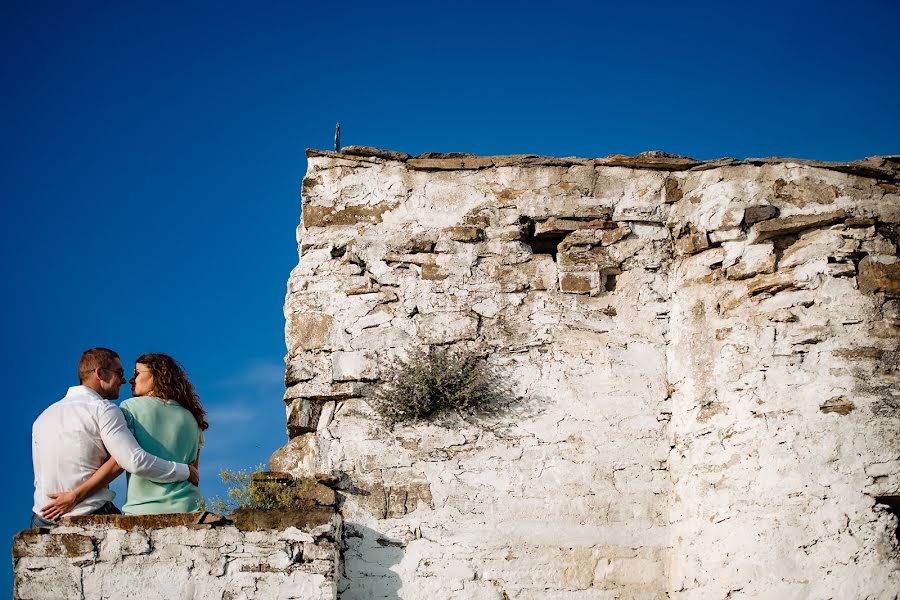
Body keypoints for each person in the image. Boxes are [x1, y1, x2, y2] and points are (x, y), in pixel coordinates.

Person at [33, 348, 199, 527]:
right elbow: (129, 460)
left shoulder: (43, 417)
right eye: (119, 373)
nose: (125, 380)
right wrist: (186, 471)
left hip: (42, 515)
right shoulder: (104, 410)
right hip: (89, 511)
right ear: (100, 373)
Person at [117, 353, 207, 514]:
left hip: (144, 509)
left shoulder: (129, 407)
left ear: (157, 375)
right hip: (190, 507)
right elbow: (194, 475)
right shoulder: (193, 418)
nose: (131, 380)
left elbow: (119, 462)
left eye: (137, 374)